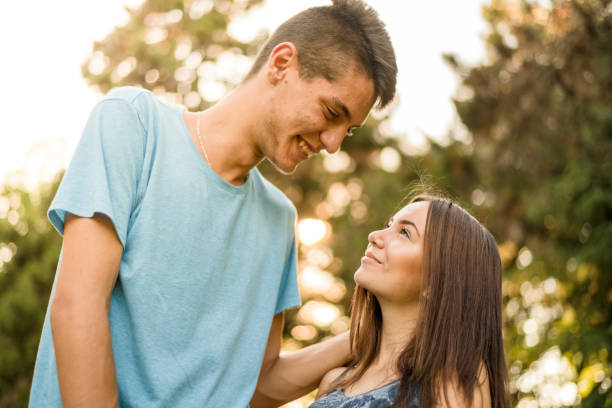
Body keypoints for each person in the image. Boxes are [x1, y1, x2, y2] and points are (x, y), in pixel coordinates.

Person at [28, 1, 397, 407]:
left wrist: (366, 338)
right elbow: (78, 304)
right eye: (331, 112)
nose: (333, 144)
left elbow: (259, 383)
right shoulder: (134, 124)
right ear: (281, 64)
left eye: (348, 130)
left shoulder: (279, 221)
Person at [311, 194, 509, 407]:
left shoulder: (456, 382)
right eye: (388, 225)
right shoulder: (333, 382)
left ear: (437, 280)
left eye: (404, 232)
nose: (374, 235)